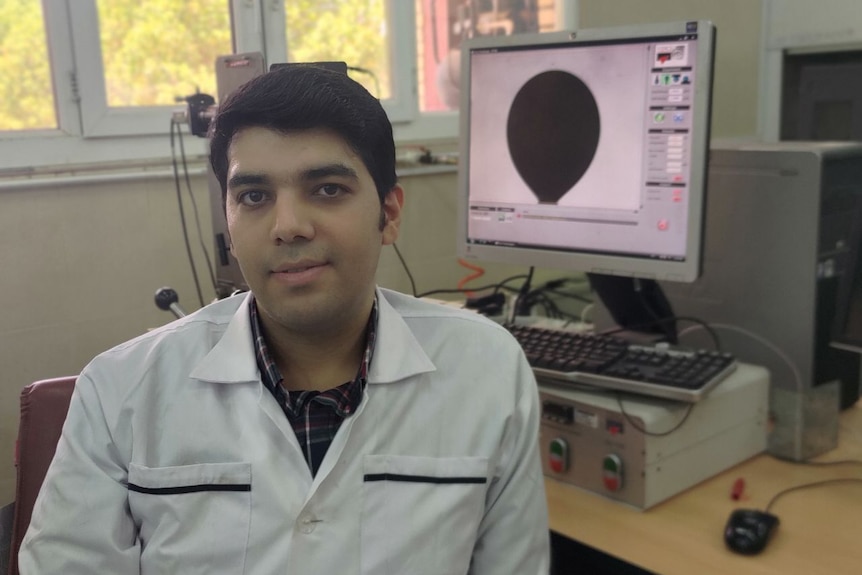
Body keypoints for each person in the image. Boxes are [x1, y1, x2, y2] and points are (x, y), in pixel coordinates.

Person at [19, 65, 550, 574]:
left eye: (327, 189)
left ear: (388, 214)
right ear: (228, 220)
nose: (288, 226)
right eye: (254, 196)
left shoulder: (488, 371)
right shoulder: (119, 391)